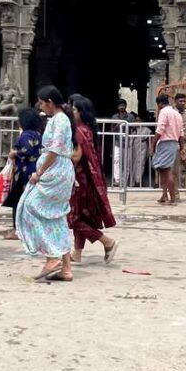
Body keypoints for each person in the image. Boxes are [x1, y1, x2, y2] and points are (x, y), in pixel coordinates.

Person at [17, 86, 76, 282]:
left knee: (30, 206)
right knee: (56, 216)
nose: (41, 107)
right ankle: (66, 267)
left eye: (42, 103)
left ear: (50, 102)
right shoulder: (59, 120)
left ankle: (52, 256)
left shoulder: (59, 121)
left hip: (55, 171)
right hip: (59, 170)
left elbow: (55, 150)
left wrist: (39, 172)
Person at [67, 94, 118, 263]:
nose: (72, 112)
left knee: (74, 218)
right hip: (88, 181)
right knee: (81, 216)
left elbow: (75, 157)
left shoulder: (79, 131)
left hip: (79, 181)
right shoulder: (88, 129)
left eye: (74, 109)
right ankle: (77, 253)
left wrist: (58, 156)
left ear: (81, 112)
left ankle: (107, 241)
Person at [2, 106, 43, 240]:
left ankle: (18, 230)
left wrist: (15, 153)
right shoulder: (37, 134)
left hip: (24, 173)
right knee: (31, 201)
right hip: (34, 170)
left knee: (19, 201)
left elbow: (27, 150)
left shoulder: (26, 135)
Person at [150, 94, 184, 205]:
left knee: (167, 171)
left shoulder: (164, 112)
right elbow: (181, 133)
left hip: (165, 142)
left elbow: (160, 129)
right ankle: (164, 195)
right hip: (174, 143)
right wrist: (182, 147)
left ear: (160, 104)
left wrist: (152, 145)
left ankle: (172, 198)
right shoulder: (177, 114)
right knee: (162, 170)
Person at [112, 99, 144, 187]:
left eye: (123, 105)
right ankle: (117, 180)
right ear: (117, 107)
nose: (122, 107)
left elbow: (134, 129)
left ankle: (124, 180)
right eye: (120, 105)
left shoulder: (130, 117)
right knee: (116, 160)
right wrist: (117, 126)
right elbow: (111, 129)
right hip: (117, 141)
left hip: (128, 142)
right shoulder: (114, 117)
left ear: (125, 106)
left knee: (127, 161)